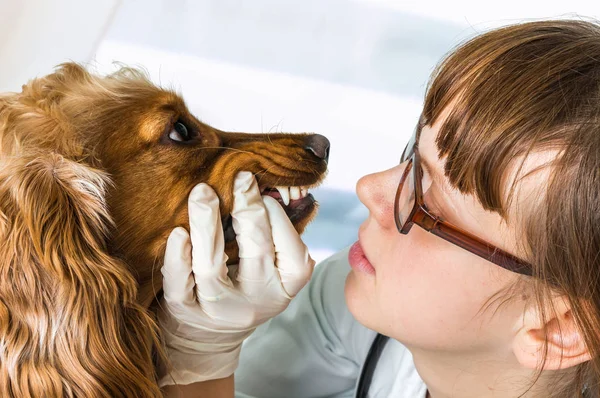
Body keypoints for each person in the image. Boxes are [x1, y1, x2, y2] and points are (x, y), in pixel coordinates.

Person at [159, 19, 600, 397]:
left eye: (427, 204)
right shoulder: (355, 305)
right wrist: (204, 358)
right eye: (413, 156)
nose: (368, 187)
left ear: (557, 329)